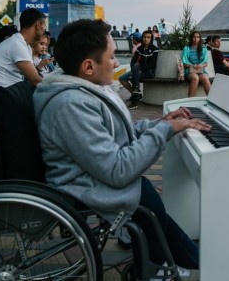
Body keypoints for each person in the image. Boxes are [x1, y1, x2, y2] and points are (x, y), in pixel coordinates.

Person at [34, 19, 210, 275]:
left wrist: (160, 123)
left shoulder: (84, 88)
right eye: (112, 56)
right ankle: (162, 268)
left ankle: (188, 261)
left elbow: (118, 133)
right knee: (146, 200)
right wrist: (165, 131)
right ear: (88, 67)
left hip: (93, 173)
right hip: (82, 185)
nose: (117, 64)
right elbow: (118, 170)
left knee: (149, 199)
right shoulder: (71, 104)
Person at [0, 8, 46, 88]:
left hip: (11, 91)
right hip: (4, 93)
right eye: (44, 26)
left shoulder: (24, 45)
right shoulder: (17, 44)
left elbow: (33, 75)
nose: (44, 30)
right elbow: (35, 80)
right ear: (38, 25)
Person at [125, 31, 159, 108]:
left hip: (150, 72)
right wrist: (134, 69)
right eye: (144, 37)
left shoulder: (154, 49)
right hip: (141, 72)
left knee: (135, 77)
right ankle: (136, 90)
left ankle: (134, 101)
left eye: (148, 37)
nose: (146, 39)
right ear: (142, 38)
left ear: (151, 39)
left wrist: (140, 69)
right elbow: (133, 62)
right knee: (135, 67)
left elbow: (152, 65)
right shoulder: (140, 49)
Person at [182, 31, 211, 98]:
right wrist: (192, 66)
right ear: (191, 38)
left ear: (200, 38)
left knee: (205, 78)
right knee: (195, 78)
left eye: (198, 37)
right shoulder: (187, 48)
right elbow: (184, 62)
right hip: (190, 70)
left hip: (201, 70)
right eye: (194, 37)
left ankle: (212, 100)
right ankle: (190, 100)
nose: (196, 39)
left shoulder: (203, 48)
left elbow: (205, 62)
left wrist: (200, 66)